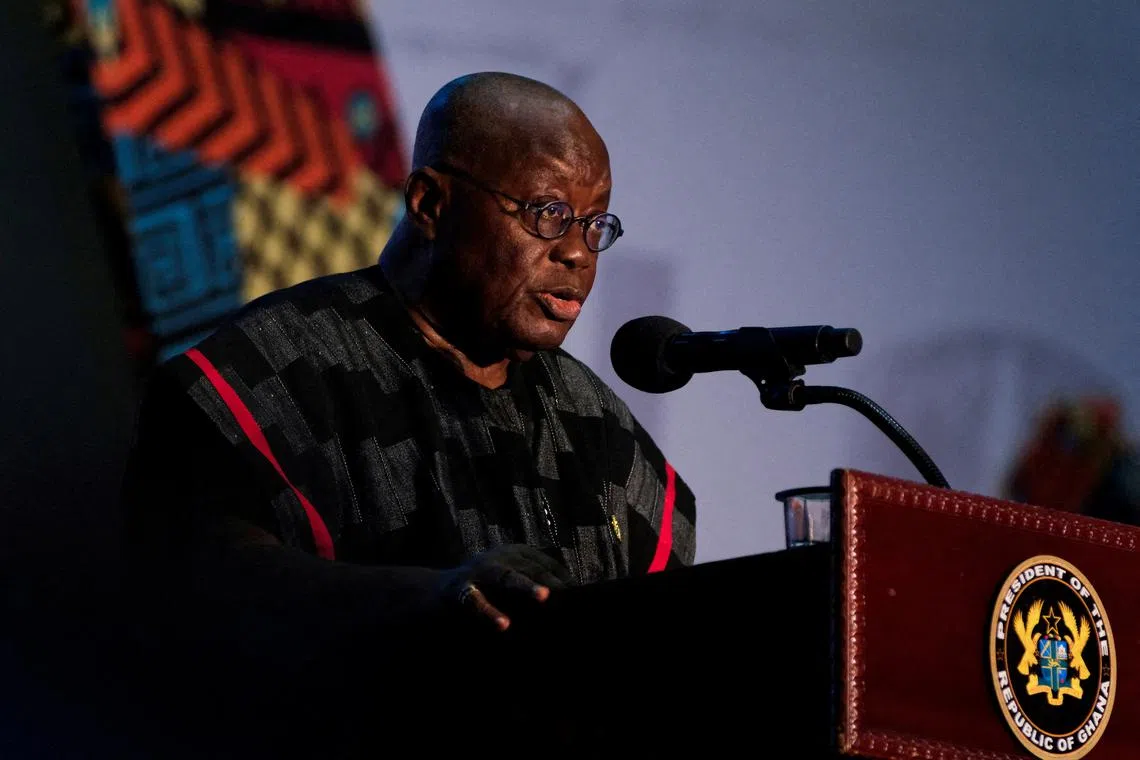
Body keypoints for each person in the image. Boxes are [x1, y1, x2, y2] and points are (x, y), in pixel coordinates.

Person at [118, 71, 696, 755]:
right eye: (546, 212)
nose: (576, 251)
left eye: (595, 224)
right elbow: (204, 586)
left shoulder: (601, 428)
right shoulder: (270, 372)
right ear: (429, 203)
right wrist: (429, 600)